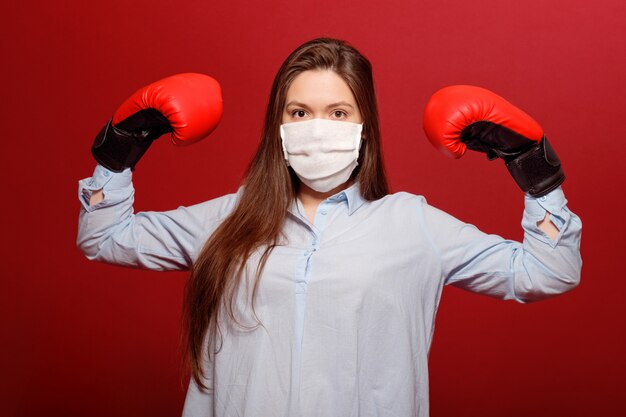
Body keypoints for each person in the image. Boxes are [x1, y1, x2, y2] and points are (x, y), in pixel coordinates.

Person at [77, 38, 582, 417]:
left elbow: (547, 272)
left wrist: (533, 169)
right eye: (300, 112)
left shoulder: (412, 224)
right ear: (281, 124)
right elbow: (103, 236)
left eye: (338, 112)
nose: (317, 126)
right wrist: (120, 148)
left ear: (364, 126)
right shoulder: (227, 219)